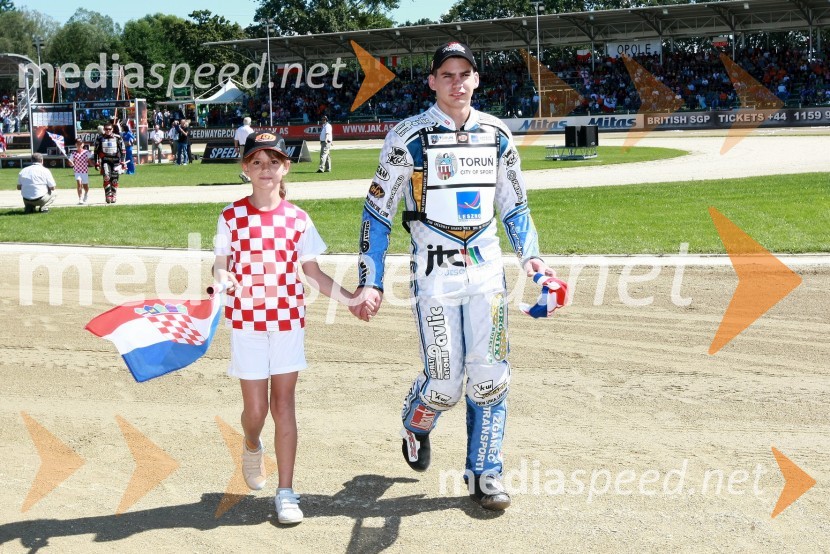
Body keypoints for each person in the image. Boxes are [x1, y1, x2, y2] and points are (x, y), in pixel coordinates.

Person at [351, 41, 556, 511]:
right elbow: (377, 213)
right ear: (432, 81)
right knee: (443, 384)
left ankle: (486, 474)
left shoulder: (497, 133)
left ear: (476, 80)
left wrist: (533, 258)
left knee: (490, 378)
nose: (457, 82)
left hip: (486, 273)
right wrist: (371, 278)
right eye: (447, 74)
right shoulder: (407, 136)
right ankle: (416, 422)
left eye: (465, 74)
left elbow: (514, 203)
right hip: (434, 274)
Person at [213, 131, 356, 525]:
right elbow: (221, 263)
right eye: (256, 162)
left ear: (285, 167)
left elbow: (313, 273)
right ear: (245, 168)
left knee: (283, 405)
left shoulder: (298, 218)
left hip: (288, 320)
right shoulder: (231, 215)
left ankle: (286, 492)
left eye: (272, 162)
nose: (265, 169)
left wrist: (352, 299)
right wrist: (223, 278)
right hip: (247, 321)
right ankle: (251, 442)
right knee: (256, 410)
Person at [93, 122, 126, 204]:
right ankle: (108, 195)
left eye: (109, 129)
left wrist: (122, 161)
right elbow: (96, 151)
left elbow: (123, 150)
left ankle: (114, 195)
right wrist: (96, 162)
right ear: (104, 129)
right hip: (105, 161)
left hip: (116, 161)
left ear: (112, 129)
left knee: (114, 179)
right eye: (106, 129)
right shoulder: (100, 138)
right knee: (107, 177)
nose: (108, 131)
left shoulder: (118, 138)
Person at [69, 138, 93, 204]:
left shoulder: (86, 152)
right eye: (77, 143)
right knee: (79, 183)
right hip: (77, 171)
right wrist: (71, 163)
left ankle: (86, 193)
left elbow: (90, 161)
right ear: (75, 144)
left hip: (84, 171)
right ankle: (80, 198)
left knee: (85, 186)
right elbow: (70, 162)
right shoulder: (73, 153)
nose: (79, 145)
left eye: (80, 143)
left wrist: (95, 165)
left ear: (83, 144)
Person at [235, 117, 254, 183]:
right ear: (249, 122)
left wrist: (236, 147)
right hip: (249, 147)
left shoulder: (239, 129)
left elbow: (236, 139)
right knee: (250, 162)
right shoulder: (250, 130)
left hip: (241, 147)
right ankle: (244, 173)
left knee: (244, 162)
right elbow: (253, 139)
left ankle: (248, 177)